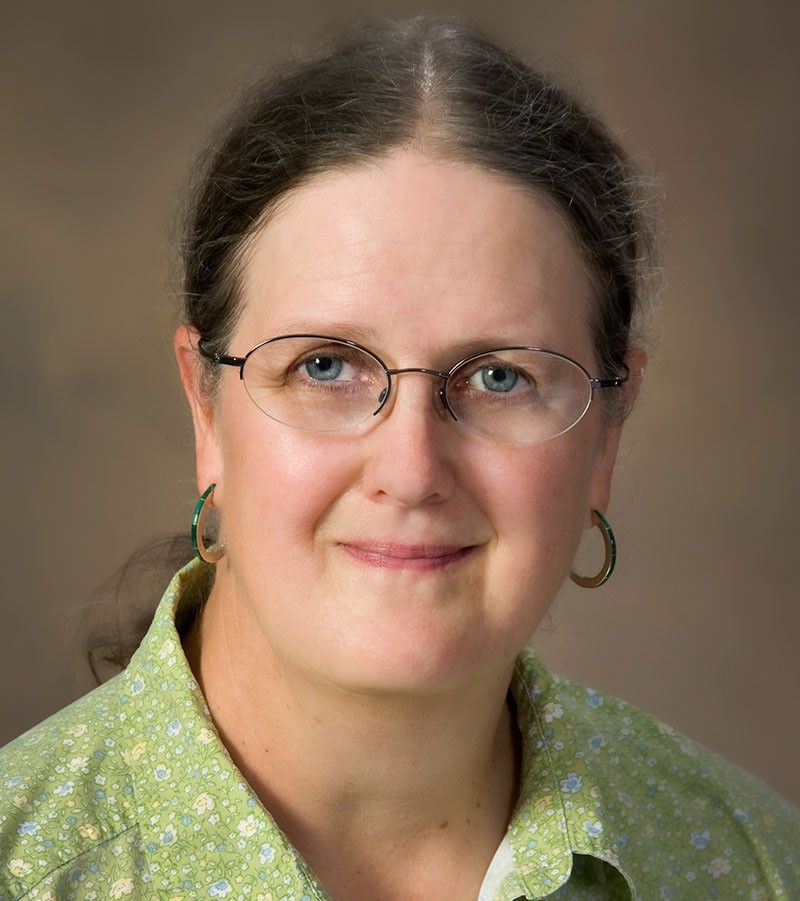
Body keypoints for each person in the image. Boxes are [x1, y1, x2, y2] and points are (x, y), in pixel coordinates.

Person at [1, 13, 798, 900]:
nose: (412, 469)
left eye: (499, 376)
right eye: (326, 365)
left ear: (607, 430)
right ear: (206, 406)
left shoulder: (752, 863)